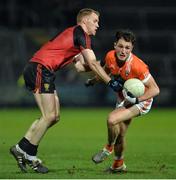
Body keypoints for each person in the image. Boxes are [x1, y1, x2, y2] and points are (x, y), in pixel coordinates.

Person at [9, 8, 122, 174]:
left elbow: (80, 67)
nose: (98, 25)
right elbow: (92, 64)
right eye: (95, 21)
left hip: (39, 69)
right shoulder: (80, 33)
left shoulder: (75, 36)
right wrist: (110, 81)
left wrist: (105, 64)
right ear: (84, 21)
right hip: (41, 68)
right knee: (49, 116)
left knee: (53, 117)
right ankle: (28, 152)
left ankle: (23, 149)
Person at [86, 29, 160, 172]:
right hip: (124, 98)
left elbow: (155, 89)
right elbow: (106, 71)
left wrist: (137, 98)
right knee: (120, 134)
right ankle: (118, 165)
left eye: (127, 48)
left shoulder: (138, 66)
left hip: (141, 101)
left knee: (112, 119)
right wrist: (94, 81)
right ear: (115, 45)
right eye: (120, 46)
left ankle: (108, 148)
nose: (123, 50)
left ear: (131, 49)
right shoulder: (110, 56)